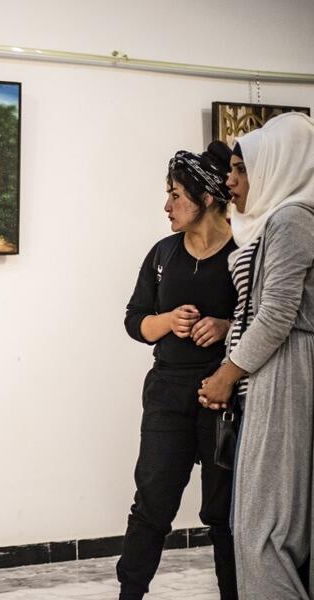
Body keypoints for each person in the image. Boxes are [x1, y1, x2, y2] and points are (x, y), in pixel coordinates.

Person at [198, 112, 314, 599]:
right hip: (269, 371)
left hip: (284, 370)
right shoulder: (276, 221)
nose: (231, 180)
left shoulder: (292, 218)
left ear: (276, 166)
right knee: (263, 526)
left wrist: (227, 374)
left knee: (263, 531)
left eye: (241, 169)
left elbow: (277, 314)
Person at [117, 141, 238, 600]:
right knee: (152, 504)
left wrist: (224, 326)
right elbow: (135, 321)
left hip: (224, 397)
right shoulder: (162, 254)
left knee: (224, 513)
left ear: (206, 198)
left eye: (175, 195)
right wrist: (168, 322)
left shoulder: (245, 250)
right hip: (167, 392)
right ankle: (130, 594)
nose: (166, 205)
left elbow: (264, 316)